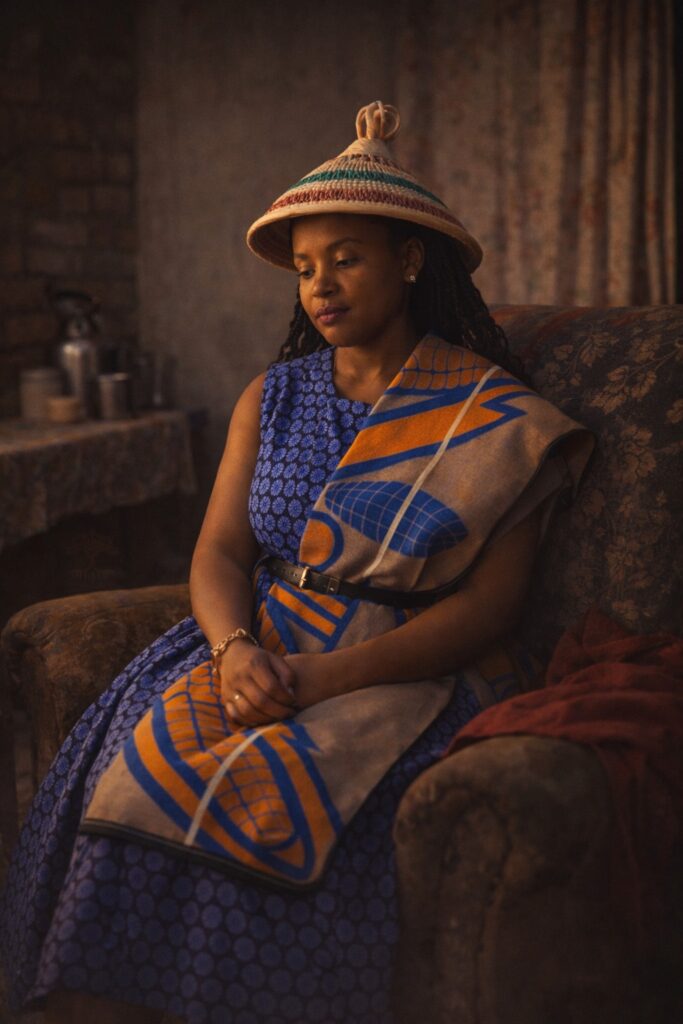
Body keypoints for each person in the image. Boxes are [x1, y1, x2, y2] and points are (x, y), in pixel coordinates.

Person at [0, 102, 593, 1024]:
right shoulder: (270, 397)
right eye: (306, 269)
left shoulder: (496, 420)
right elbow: (221, 552)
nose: (320, 286)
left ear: (408, 260)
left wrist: (322, 678)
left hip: (405, 667)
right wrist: (235, 650)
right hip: (256, 643)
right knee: (136, 785)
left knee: (282, 813)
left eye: (345, 259)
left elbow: (489, 612)